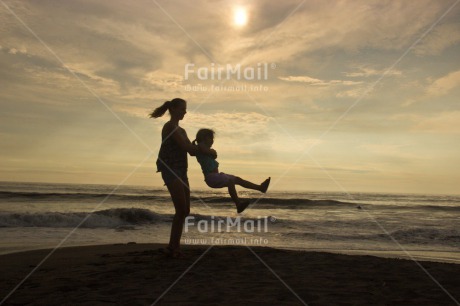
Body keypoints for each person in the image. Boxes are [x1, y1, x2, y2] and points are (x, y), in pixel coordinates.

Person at [150, 98, 216, 258]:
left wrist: (205, 149)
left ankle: (173, 246)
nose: (185, 112)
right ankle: (173, 247)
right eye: (182, 109)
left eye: (185, 109)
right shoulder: (169, 126)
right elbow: (187, 147)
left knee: (185, 210)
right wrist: (206, 150)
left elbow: (192, 151)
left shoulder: (182, 130)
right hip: (170, 169)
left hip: (182, 170)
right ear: (173, 109)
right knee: (180, 209)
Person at [193, 128, 270, 213]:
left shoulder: (206, 150)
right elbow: (204, 149)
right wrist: (211, 151)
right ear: (203, 138)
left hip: (216, 176)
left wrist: (212, 152)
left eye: (213, 139)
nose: (212, 141)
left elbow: (213, 154)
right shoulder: (200, 146)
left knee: (238, 179)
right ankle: (238, 204)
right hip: (211, 177)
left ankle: (260, 188)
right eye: (210, 138)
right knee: (230, 181)